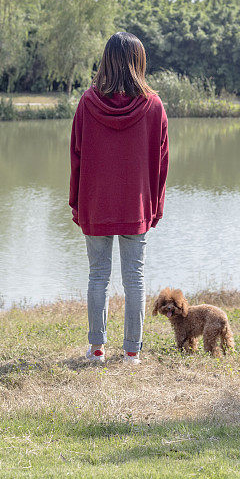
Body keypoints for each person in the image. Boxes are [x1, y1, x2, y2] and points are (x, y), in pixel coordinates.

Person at [69, 32, 169, 366]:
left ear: (106, 61)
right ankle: (131, 353)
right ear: (139, 62)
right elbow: (161, 163)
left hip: (96, 203)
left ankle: (96, 350)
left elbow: (77, 156)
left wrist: (77, 202)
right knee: (135, 279)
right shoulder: (153, 105)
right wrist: (155, 206)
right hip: (134, 204)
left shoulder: (87, 102)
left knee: (98, 276)